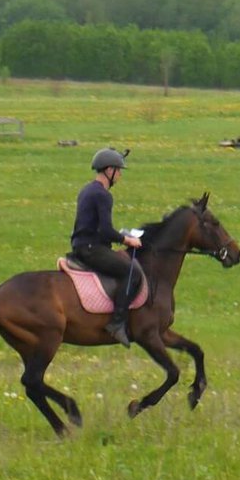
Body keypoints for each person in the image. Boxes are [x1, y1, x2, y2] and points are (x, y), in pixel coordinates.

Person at [69, 147, 143, 347]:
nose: (120, 175)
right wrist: (128, 240)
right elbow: (106, 230)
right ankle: (117, 323)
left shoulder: (87, 189)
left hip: (82, 245)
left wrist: (120, 234)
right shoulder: (103, 195)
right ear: (109, 170)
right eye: (118, 170)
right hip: (92, 249)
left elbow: (97, 227)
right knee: (132, 273)